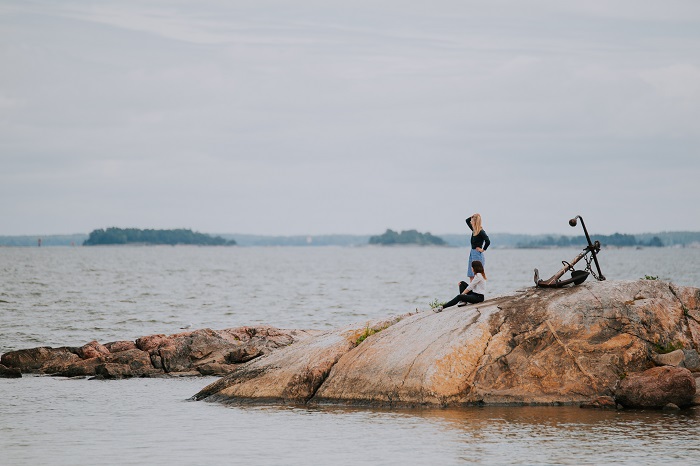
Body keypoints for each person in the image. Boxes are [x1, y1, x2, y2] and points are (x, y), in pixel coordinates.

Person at [466, 213, 490, 282]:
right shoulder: (474, 230)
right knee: (471, 274)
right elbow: (467, 221)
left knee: (477, 275)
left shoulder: (481, 231)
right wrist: (472, 216)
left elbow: (487, 241)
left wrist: (483, 249)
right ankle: (472, 291)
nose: (471, 222)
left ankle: (477, 290)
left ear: (475, 222)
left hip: (477, 253)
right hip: (472, 253)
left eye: (472, 221)